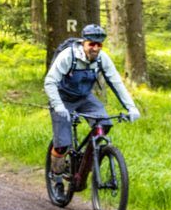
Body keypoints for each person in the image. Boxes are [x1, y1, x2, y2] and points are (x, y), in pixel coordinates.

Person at [45, 24, 140, 188]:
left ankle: (85, 163)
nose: (95, 48)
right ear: (84, 42)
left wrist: (131, 107)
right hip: (62, 98)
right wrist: (58, 106)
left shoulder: (102, 58)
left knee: (104, 124)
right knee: (62, 144)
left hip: (85, 97)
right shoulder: (69, 56)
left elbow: (116, 83)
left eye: (99, 45)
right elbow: (50, 82)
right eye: (92, 44)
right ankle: (57, 179)